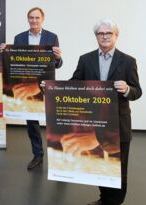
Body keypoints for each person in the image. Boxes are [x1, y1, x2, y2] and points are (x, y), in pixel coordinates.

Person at [42, 18, 142, 205]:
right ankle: (104, 199)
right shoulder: (85, 59)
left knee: (119, 167)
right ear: (96, 36)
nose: (104, 36)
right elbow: (72, 85)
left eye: (108, 33)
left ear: (116, 36)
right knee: (101, 170)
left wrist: (128, 89)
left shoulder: (128, 62)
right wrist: (49, 87)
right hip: (91, 125)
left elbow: (138, 92)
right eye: (101, 33)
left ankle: (115, 202)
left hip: (118, 125)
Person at [0, 7, 63, 170]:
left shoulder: (52, 37)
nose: (34, 20)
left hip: (46, 86)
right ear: (28, 19)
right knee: (32, 122)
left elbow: (57, 64)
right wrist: (5, 52)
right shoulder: (19, 38)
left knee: (53, 122)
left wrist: (58, 57)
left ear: (43, 19)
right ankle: (38, 155)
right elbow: (14, 61)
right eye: (31, 18)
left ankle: (60, 158)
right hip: (27, 85)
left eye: (37, 18)